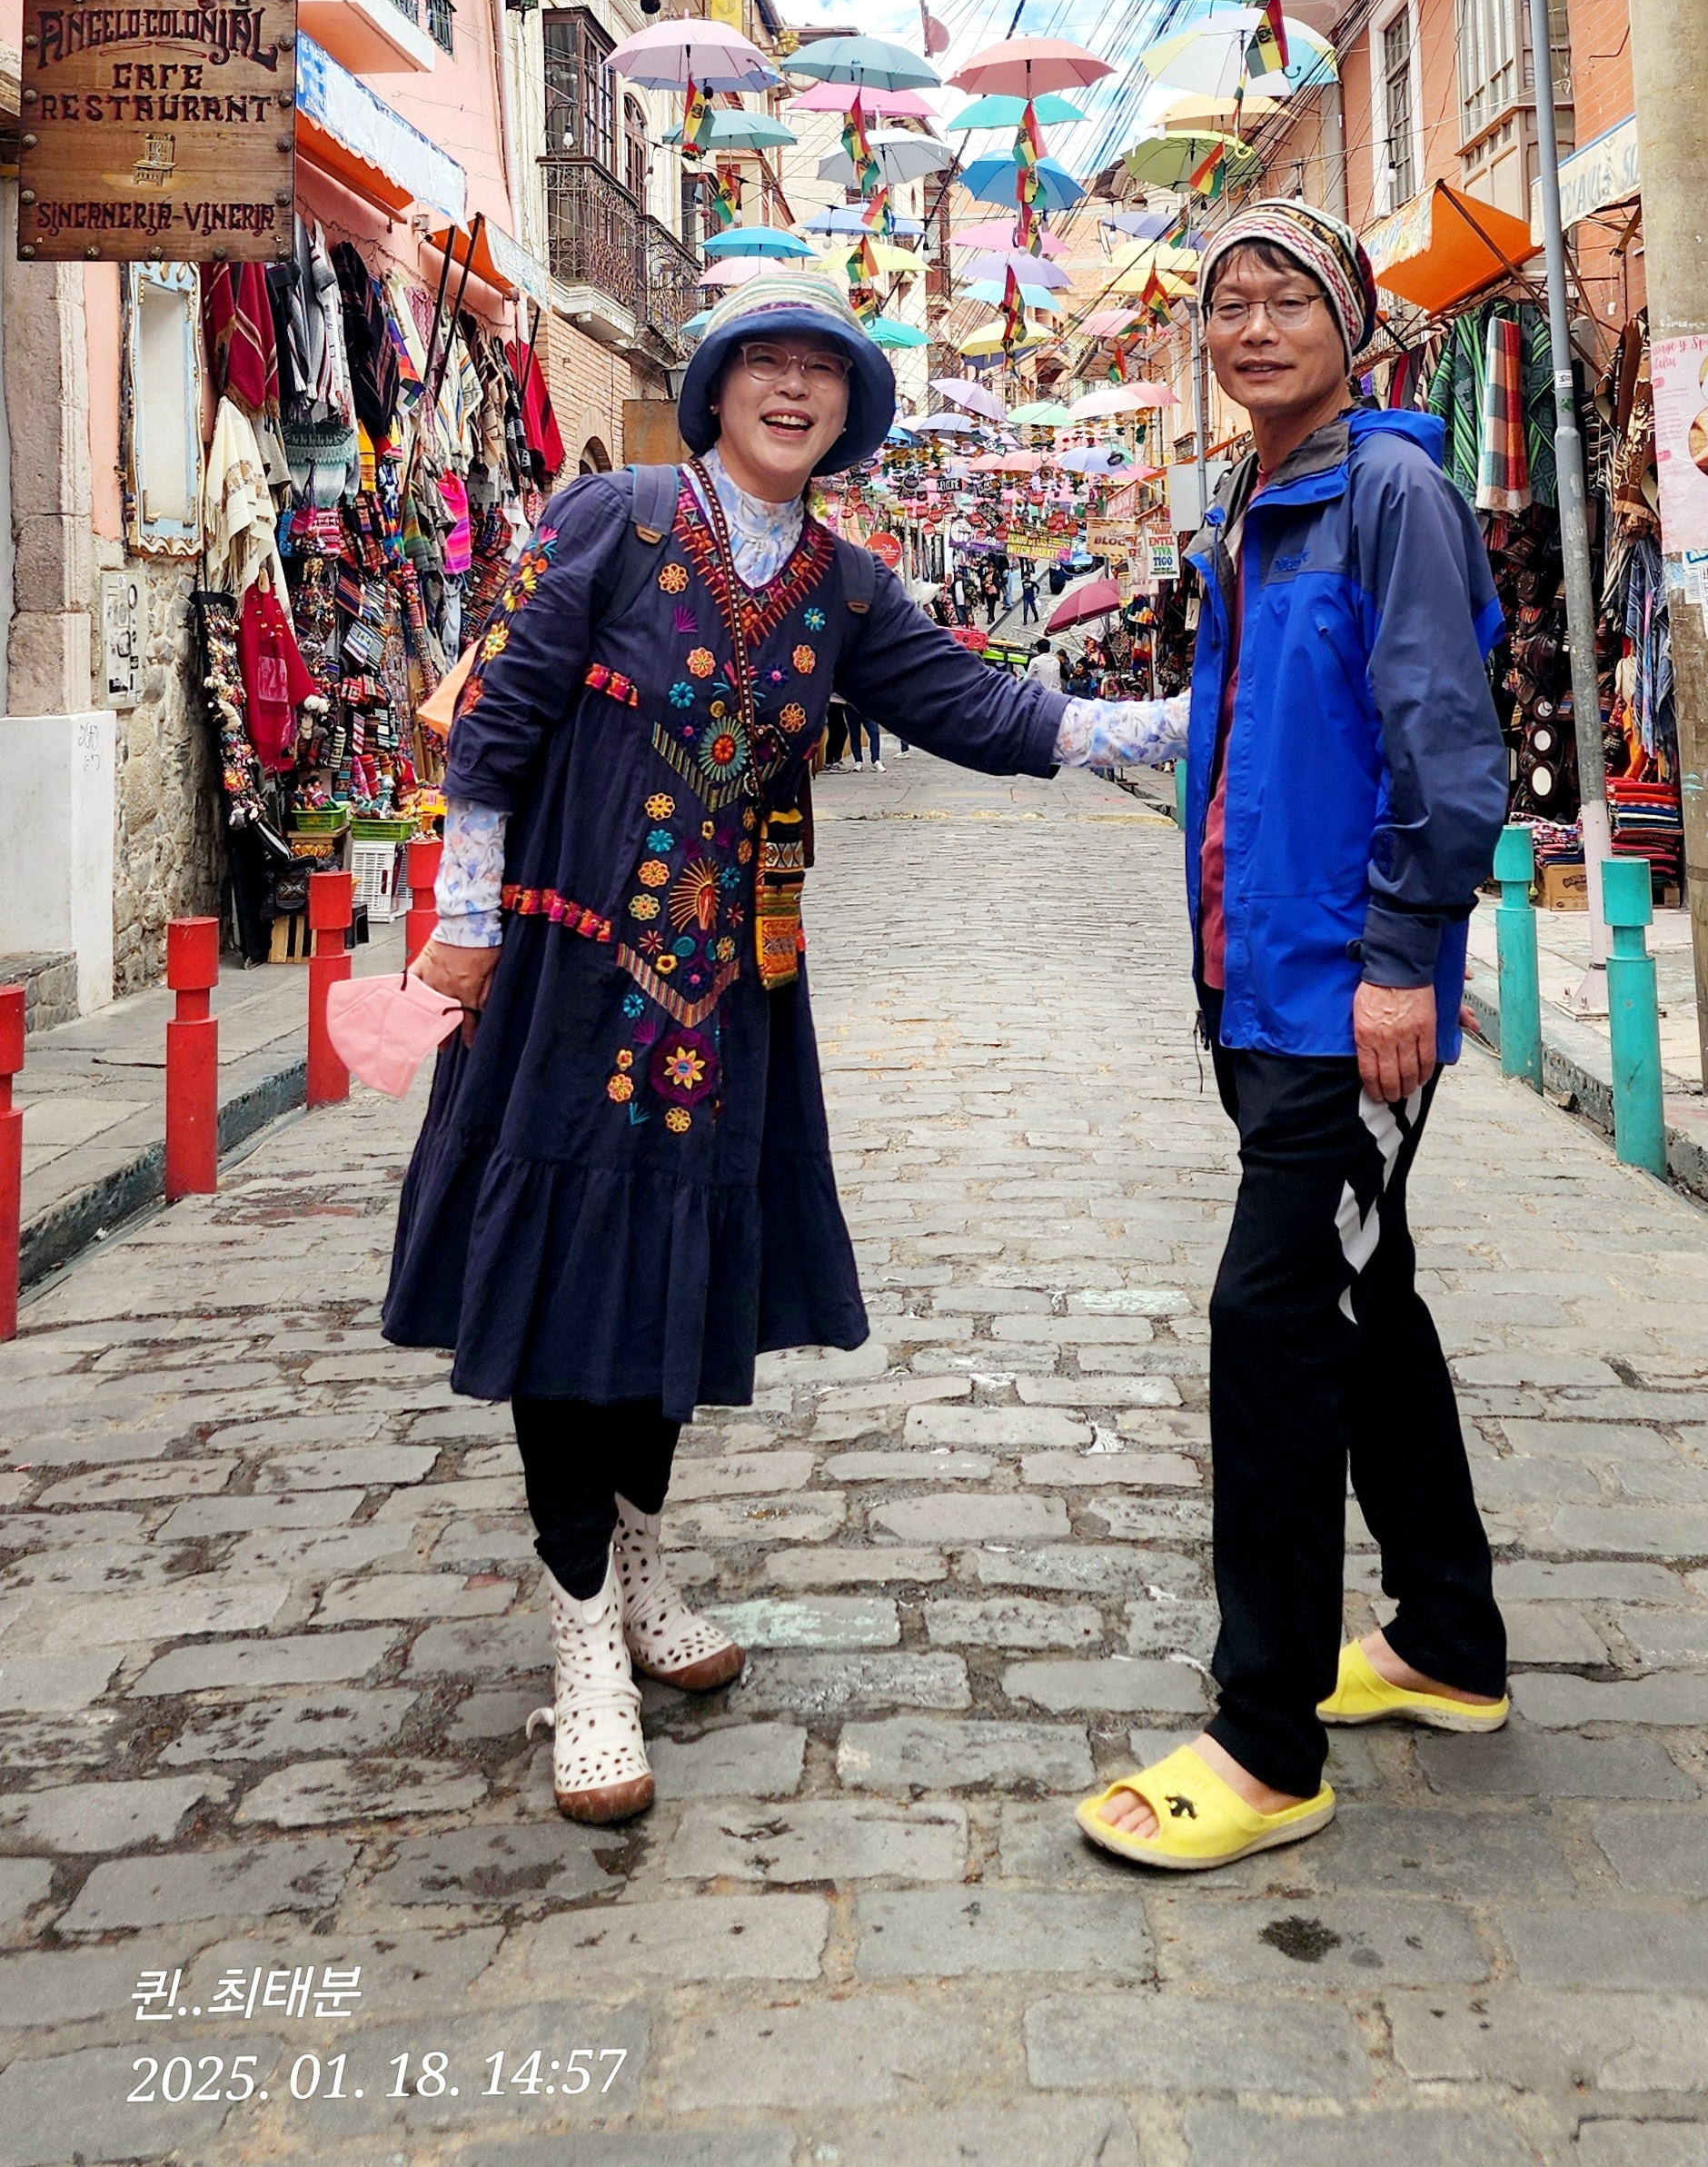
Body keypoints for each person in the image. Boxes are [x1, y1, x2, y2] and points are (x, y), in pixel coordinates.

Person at [387, 272, 1136, 1828]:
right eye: (767, 365)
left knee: (667, 1269)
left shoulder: (846, 589)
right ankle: (581, 1630)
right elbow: (495, 725)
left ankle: (642, 1568)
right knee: (568, 1289)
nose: (793, 390)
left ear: (848, 413)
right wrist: (462, 918)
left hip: (727, 993)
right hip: (571, 973)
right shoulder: (615, 520)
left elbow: (982, 713)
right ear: (719, 389)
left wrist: (1191, 719)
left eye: (823, 372)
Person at [1056, 199, 1513, 1875]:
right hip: (1262, 989)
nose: (1253, 328)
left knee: (1270, 1319)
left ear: (1354, 325)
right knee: (1362, 1296)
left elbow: (1446, 748)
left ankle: (1266, 1742)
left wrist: (1400, 961)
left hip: (1345, 1002)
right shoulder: (1255, 502)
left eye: (1288, 300)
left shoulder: (1390, 493)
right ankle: (1447, 1640)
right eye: (1229, 305)